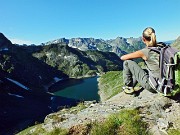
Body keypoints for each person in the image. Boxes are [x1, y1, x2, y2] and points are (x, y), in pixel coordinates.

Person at [120, 27, 159, 94]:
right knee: (144, 70)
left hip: (154, 86)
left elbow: (123, 57)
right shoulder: (162, 48)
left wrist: (137, 54)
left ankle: (128, 87)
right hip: (167, 83)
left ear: (143, 39)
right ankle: (131, 85)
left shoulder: (145, 51)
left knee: (127, 62)